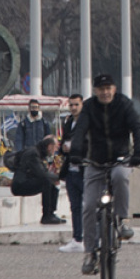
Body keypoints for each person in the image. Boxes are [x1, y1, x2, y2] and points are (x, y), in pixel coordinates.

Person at [70, 73, 140, 276]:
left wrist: (139, 152)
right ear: (95, 91)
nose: (105, 92)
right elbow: (79, 131)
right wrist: (76, 153)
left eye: (108, 88)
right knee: (87, 206)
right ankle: (89, 254)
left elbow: (138, 129)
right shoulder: (89, 107)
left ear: (114, 89)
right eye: (101, 89)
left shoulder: (124, 105)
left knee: (121, 177)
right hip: (95, 161)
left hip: (120, 158)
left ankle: (121, 221)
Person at [11, 136, 63, 224]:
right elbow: (41, 174)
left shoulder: (38, 153)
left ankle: (51, 213)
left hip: (25, 182)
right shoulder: (33, 154)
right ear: (50, 146)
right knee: (47, 182)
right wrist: (59, 177)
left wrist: (56, 177)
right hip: (19, 185)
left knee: (51, 182)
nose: (55, 151)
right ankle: (46, 215)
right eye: (55, 148)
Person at [58, 94, 86, 252]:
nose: (74, 108)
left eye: (76, 104)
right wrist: (63, 147)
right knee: (75, 206)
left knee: (89, 206)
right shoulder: (69, 122)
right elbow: (64, 141)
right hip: (70, 170)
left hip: (84, 169)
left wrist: (73, 147)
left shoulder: (86, 122)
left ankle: (93, 237)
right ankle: (77, 238)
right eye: (71, 105)